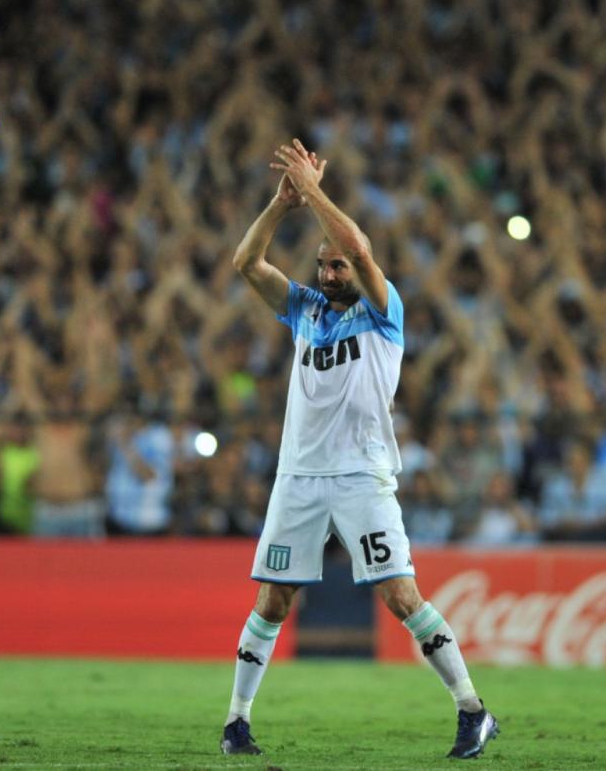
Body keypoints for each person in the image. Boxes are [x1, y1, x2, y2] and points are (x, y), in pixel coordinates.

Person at [220, 139, 498, 760]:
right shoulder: (305, 311)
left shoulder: (384, 311)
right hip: (298, 476)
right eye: (323, 265)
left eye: (337, 266)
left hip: (362, 476)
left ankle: (473, 710)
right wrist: (281, 202)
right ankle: (237, 721)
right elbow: (245, 262)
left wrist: (315, 192)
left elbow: (362, 247)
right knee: (272, 599)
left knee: (401, 595)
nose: (328, 274)